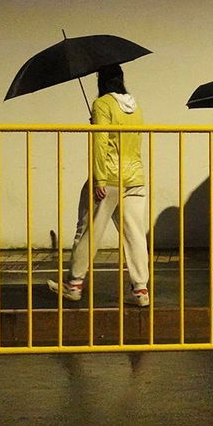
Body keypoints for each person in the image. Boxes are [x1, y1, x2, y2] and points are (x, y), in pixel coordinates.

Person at [48, 65, 151, 307]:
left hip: (110, 176)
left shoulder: (102, 104)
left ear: (101, 80)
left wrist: (99, 179)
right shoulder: (135, 107)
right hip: (135, 177)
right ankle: (140, 290)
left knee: (88, 231)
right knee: (135, 235)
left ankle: (74, 284)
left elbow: (100, 143)